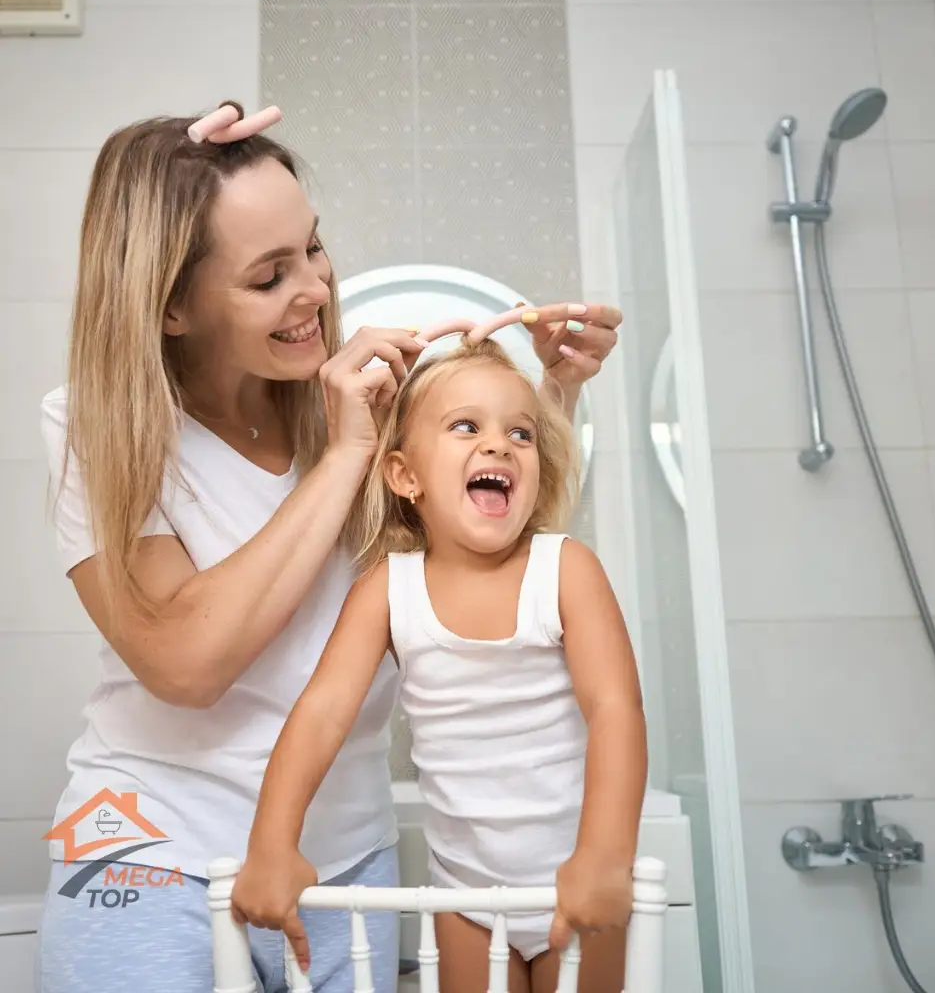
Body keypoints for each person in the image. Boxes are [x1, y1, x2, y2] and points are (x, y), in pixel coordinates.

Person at [35, 99, 624, 993]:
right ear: (172, 308)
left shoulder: (366, 400)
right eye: (268, 276)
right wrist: (347, 449)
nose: (314, 289)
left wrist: (549, 394)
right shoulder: (100, 425)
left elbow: (478, 548)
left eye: (312, 246)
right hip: (150, 849)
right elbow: (184, 663)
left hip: (342, 861)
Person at [230, 337, 648, 993]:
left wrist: (606, 856)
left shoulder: (564, 570)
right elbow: (321, 714)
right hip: (467, 905)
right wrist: (272, 846)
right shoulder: (387, 591)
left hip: (580, 884)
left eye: (521, 432)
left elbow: (616, 710)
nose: (498, 445)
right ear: (405, 476)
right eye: (466, 426)